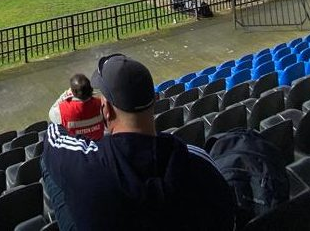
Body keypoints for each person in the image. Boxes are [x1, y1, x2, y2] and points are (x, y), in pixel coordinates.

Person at [42, 54, 236, 231]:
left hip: (98, 202)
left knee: (49, 166)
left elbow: (51, 139)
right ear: (156, 100)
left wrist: (66, 109)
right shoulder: (195, 159)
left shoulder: (86, 164)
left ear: (107, 110)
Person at [48, 73, 105, 141]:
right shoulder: (101, 103)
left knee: (51, 125)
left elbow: (51, 114)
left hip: (76, 146)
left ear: (73, 92)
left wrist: (65, 94)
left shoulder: (62, 110)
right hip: (98, 143)